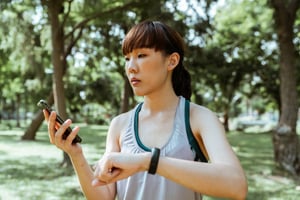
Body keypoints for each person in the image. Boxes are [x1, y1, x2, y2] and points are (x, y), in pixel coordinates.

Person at [44, 20, 248, 200]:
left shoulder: (199, 118)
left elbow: (236, 186)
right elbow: (103, 195)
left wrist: (147, 162)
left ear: (172, 61)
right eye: (127, 58)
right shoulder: (120, 124)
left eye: (141, 55)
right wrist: (75, 154)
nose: (131, 67)